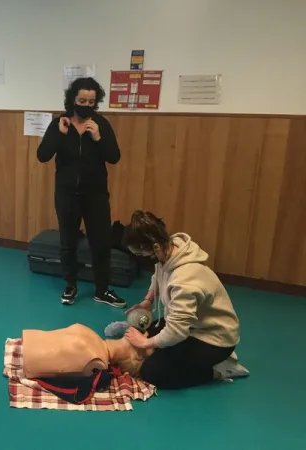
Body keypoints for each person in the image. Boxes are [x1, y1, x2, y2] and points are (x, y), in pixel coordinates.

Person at [122, 210, 249, 389]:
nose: (139, 259)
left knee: (152, 371)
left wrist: (146, 343)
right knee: (143, 331)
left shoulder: (185, 281)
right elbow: (158, 277)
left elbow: (176, 331)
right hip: (193, 325)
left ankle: (220, 369)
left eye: (140, 255)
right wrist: (148, 301)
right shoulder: (169, 249)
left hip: (214, 338)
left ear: (155, 247)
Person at [36, 77, 125, 308]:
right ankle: (70, 285)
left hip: (96, 195)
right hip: (66, 195)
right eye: (82, 100)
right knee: (68, 243)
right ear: (72, 99)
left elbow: (114, 157)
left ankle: (102, 290)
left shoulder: (101, 124)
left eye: (91, 101)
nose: (86, 105)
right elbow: (42, 155)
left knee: (101, 244)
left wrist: (98, 137)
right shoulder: (60, 123)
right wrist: (59, 135)